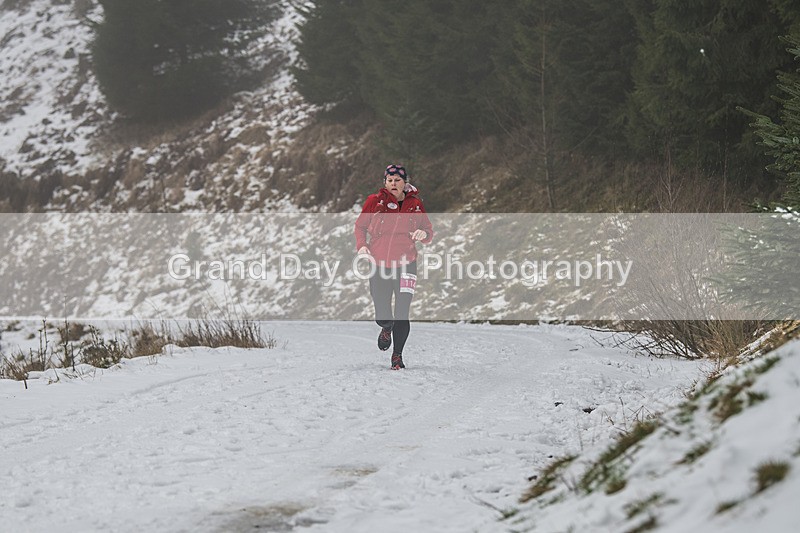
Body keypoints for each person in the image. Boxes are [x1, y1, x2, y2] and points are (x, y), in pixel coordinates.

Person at [354, 164, 434, 370]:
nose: (393, 184)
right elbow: (360, 226)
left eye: (397, 180)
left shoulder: (415, 204)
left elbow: (427, 229)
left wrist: (424, 234)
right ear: (385, 183)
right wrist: (362, 246)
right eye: (389, 180)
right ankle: (386, 327)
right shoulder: (374, 201)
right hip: (379, 263)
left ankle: (397, 355)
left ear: (405, 182)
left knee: (402, 311)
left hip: (407, 264)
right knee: (382, 309)